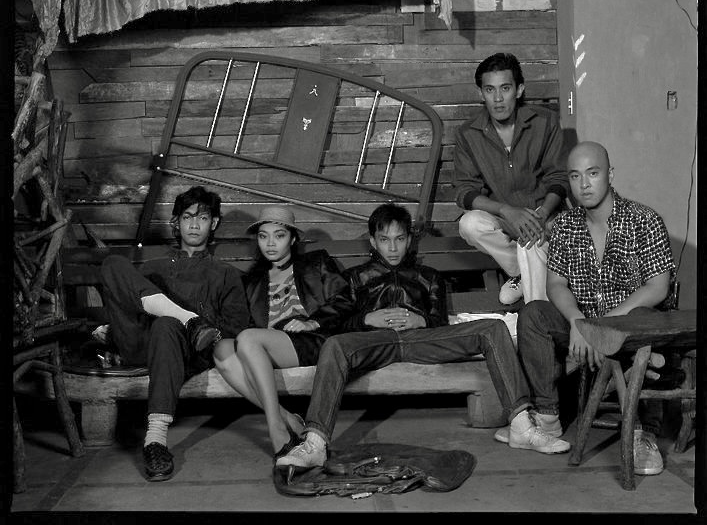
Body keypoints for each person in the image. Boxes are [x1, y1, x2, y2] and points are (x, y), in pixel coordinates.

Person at [275, 203, 571, 472]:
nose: (393, 248)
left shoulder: (428, 277)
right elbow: (339, 320)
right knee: (333, 345)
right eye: (385, 240)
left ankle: (521, 426)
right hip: (376, 342)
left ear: (409, 240)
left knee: (492, 329)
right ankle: (315, 443)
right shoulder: (355, 278)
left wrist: (422, 321)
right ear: (373, 241)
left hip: (422, 341)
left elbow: (439, 321)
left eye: (400, 239)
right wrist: (366, 319)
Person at [515, 141, 676, 476]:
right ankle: (547, 417)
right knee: (533, 315)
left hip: (628, 325)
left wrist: (600, 326)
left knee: (645, 321)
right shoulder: (565, 225)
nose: (584, 184)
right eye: (575, 176)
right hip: (583, 323)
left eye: (593, 173)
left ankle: (643, 433)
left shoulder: (644, 220)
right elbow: (556, 285)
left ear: (610, 175)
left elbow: (657, 288)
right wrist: (578, 321)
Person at [99, 186, 249, 482]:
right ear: (176, 222)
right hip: (141, 345)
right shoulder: (152, 268)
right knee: (112, 263)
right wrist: (110, 333)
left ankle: (155, 440)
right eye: (187, 217)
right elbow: (129, 308)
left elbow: (236, 327)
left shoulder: (225, 273)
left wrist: (208, 332)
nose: (194, 224)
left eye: (202, 218)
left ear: (214, 223)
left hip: (188, 353)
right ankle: (190, 320)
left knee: (166, 325)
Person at [212, 205, 350, 460]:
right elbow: (241, 323)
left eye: (279, 235)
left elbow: (345, 299)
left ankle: (277, 430)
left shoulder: (316, 262)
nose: (270, 243)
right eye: (263, 236)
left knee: (248, 338)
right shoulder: (252, 282)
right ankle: (288, 417)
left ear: (293, 239)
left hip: (313, 340)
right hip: (267, 346)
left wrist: (314, 322)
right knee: (222, 349)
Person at [453, 52, 569, 306]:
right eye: (490, 89)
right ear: (480, 93)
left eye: (505, 88)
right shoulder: (467, 134)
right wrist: (507, 211)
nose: (497, 98)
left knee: (531, 239)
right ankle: (520, 273)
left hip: (547, 217)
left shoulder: (545, 122)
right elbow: (465, 191)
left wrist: (541, 214)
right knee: (470, 224)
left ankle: (536, 316)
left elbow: (559, 177)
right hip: (505, 218)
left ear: (519, 90)